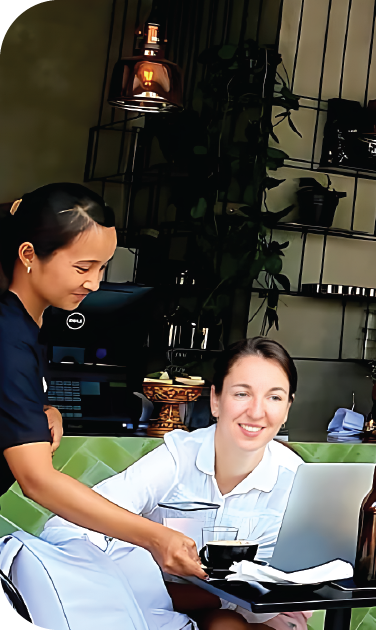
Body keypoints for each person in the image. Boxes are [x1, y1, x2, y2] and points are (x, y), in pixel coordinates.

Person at [0, 183, 204, 579]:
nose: (94, 283)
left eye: (102, 268)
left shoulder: (28, 325)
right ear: (28, 255)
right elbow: (37, 480)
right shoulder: (8, 337)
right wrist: (154, 537)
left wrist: (41, 407)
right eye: (83, 268)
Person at [46, 337, 309, 630]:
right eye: (241, 394)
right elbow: (66, 526)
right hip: (162, 609)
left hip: (259, 614)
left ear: (287, 408)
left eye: (274, 397)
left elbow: (306, 578)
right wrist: (145, 547)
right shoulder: (177, 458)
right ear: (215, 400)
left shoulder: (297, 480)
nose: (257, 411)